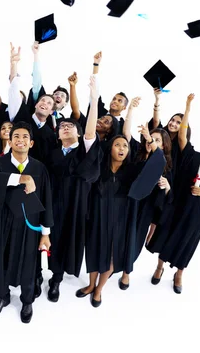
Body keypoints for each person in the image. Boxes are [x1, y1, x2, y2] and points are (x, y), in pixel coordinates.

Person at [147, 94, 200, 294]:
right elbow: (182, 137)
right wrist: (187, 108)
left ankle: (179, 274)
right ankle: (159, 267)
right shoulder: (195, 157)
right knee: (167, 235)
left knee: (187, 243)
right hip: (180, 205)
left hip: (197, 215)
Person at [78, 127, 166, 307]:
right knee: (94, 251)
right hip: (97, 217)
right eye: (117, 144)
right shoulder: (99, 167)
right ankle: (90, 284)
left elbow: (158, 162)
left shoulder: (134, 170)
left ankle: (99, 289)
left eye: (125, 146)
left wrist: (150, 139)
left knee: (112, 256)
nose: (121, 148)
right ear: (110, 148)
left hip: (120, 221)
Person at [0, 121, 53, 324]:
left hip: (29, 227)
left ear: (31, 143)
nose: (20, 140)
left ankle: (27, 300)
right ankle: (2, 296)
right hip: (3, 224)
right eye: (16, 137)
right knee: (0, 260)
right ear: (10, 141)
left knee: (29, 265)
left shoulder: (40, 168)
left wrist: (46, 233)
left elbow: (47, 199)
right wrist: (22, 179)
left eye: (24, 137)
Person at [46, 76, 101, 302]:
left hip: (76, 206)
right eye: (61, 126)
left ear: (78, 133)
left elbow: (90, 132)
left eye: (70, 126)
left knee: (67, 242)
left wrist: (94, 100)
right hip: (52, 204)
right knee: (49, 240)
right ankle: (42, 274)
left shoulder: (84, 150)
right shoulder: (53, 153)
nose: (65, 128)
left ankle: (56, 280)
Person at [118, 97, 173, 289]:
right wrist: (131, 110)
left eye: (158, 140)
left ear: (164, 145)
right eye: (151, 139)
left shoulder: (164, 165)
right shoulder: (136, 153)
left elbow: (165, 198)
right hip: (127, 203)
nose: (152, 142)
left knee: (135, 241)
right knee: (118, 236)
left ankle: (127, 273)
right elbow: (125, 133)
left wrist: (167, 187)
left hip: (145, 210)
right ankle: (113, 266)